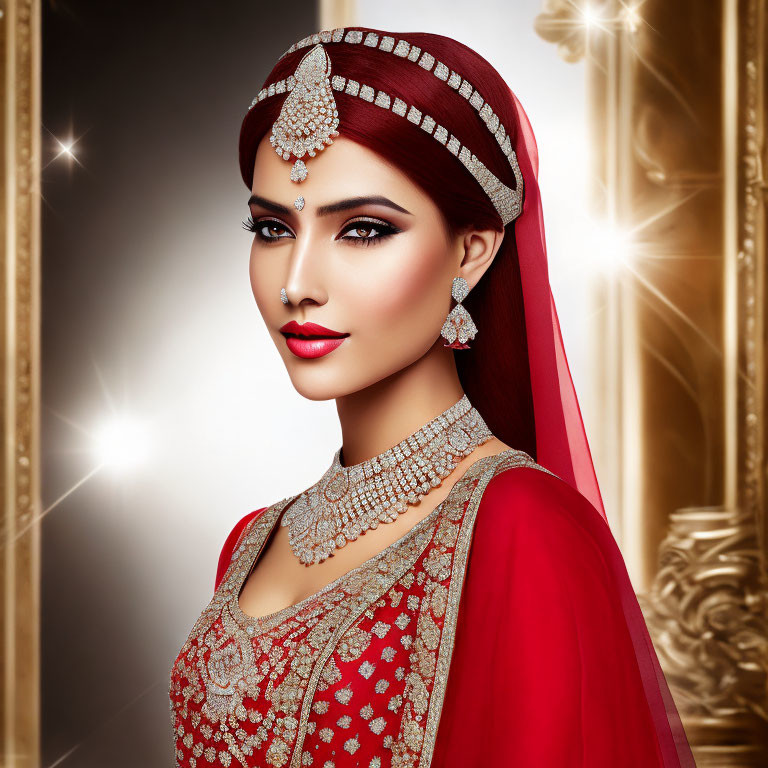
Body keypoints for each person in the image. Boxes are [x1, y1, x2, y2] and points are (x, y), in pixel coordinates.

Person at [169, 27, 696, 767]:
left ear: (471, 250)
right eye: (271, 228)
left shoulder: (526, 531)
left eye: (361, 229)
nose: (297, 283)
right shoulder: (250, 543)